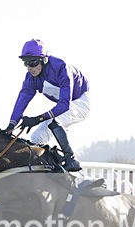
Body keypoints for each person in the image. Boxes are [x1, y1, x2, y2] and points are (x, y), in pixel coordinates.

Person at [5, 39, 89, 172]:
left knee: (54, 121)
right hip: (63, 106)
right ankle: (59, 171)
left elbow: (64, 105)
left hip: (80, 102)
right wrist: (11, 125)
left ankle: (71, 159)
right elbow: (21, 101)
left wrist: (37, 119)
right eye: (26, 63)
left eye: (33, 62)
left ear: (44, 60)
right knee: (37, 138)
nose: (29, 68)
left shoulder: (61, 68)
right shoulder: (30, 78)